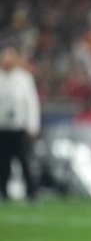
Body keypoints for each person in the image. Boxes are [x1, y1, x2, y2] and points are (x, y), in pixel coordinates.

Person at [0, 39, 40, 202]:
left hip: (20, 127)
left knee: (25, 162)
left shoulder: (24, 78)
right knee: (3, 163)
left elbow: (32, 103)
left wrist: (32, 125)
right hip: (2, 127)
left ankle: (31, 193)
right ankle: (3, 192)